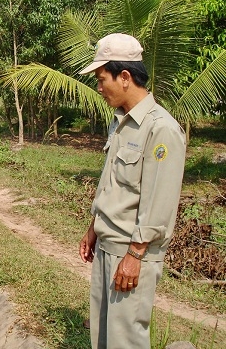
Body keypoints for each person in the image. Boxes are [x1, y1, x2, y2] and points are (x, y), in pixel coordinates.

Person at [78, 33, 186, 348]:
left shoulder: (161, 129)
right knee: (103, 334)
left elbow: (159, 201)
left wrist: (135, 255)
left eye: (102, 79)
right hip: (108, 245)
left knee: (125, 339)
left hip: (131, 252)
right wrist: (93, 227)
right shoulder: (121, 121)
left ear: (125, 77)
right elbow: (111, 181)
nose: (99, 88)